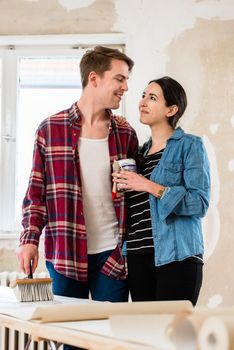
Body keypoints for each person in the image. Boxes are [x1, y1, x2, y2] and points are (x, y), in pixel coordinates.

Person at [17, 46, 138, 349]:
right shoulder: (50, 129)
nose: (126, 87)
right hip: (65, 253)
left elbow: (134, 197)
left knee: (109, 340)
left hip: (112, 256)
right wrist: (30, 239)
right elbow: (36, 193)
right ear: (94, 78)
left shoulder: (125, 134)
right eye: (119, 79)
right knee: (70, 341)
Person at [113, 76, 210, 306]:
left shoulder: (190, 145)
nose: (143, 102)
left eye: (153, 98)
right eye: (143, 96)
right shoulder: (138, 154)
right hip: (137, 257)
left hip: (177, 258)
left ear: (171, 109)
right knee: (146, 339)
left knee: (172, 339)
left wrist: (147, 185)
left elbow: (199, 203)